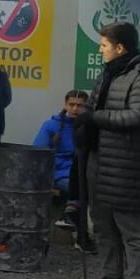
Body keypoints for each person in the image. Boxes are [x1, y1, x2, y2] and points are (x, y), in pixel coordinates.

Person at [79, 22, 140, 279]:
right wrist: (83, 124)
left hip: (128, 163)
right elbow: (91, 106)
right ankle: (111, 276)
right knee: (102, 222)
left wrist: (96, 118)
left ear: (120, 47)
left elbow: (138, 116)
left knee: (131, 227)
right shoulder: (109, 72)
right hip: (99, 158)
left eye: (104, 45)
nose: (99, 49)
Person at [32, 90, 87, 225]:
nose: (75, 109)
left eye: (79, 105)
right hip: (59, 173)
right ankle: (69, 216)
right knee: (79, 187)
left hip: (82, 172)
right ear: (65, 105)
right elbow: (39, 153)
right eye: (71, 104)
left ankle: (71, 215)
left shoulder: (88, 127)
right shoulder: (51, 126)